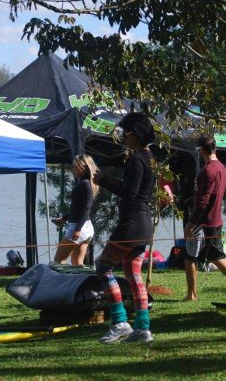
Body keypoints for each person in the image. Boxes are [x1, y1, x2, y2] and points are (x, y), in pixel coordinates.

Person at [92, 112, 156, 344]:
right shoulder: (150, 157)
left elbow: (129, 193)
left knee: (103, 266)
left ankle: (119, 322)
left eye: (125, 134)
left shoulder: (138, 159)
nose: (124, 139)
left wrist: (105, 180)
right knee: (132, 273)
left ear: (135, 135)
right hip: (144, 225)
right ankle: (142, 328)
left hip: (131, 224)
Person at [183, 134, 226, 302]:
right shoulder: (222, 168)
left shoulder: (208, 170)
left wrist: (191, 223)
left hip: (203, 221)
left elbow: (203, 201)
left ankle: (192, 294)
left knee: (190, 256)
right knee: (215, 255)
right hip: (216, 219)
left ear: (202, 150)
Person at [52, 154, 100, 265]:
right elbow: (77, 208)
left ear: (84, 167)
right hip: (84, 228)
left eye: (75, 166)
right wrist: (64, 218)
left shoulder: (85, 184)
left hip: (78, 228)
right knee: (77, 263)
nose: (73, 169)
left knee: (58, 261)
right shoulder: (85, 183)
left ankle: (62, 283)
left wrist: (77, 229)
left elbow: (86, 208)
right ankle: (85, 282)